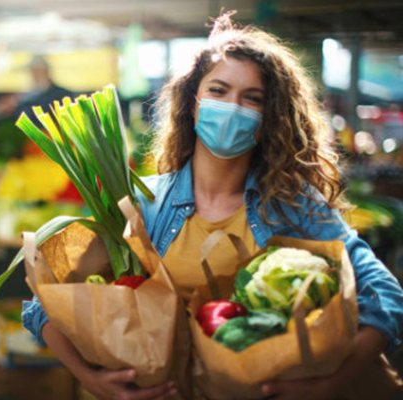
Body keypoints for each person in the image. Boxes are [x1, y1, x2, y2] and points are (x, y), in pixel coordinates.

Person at [22, 13, 403, 400]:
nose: (232, 107)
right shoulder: (142, 204)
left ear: (268, 118)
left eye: (251, 98)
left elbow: (383, 292)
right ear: (193, 104)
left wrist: (335, 381)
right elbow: (44, 303)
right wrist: (88, 376)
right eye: (219, 91)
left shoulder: (294, 205)